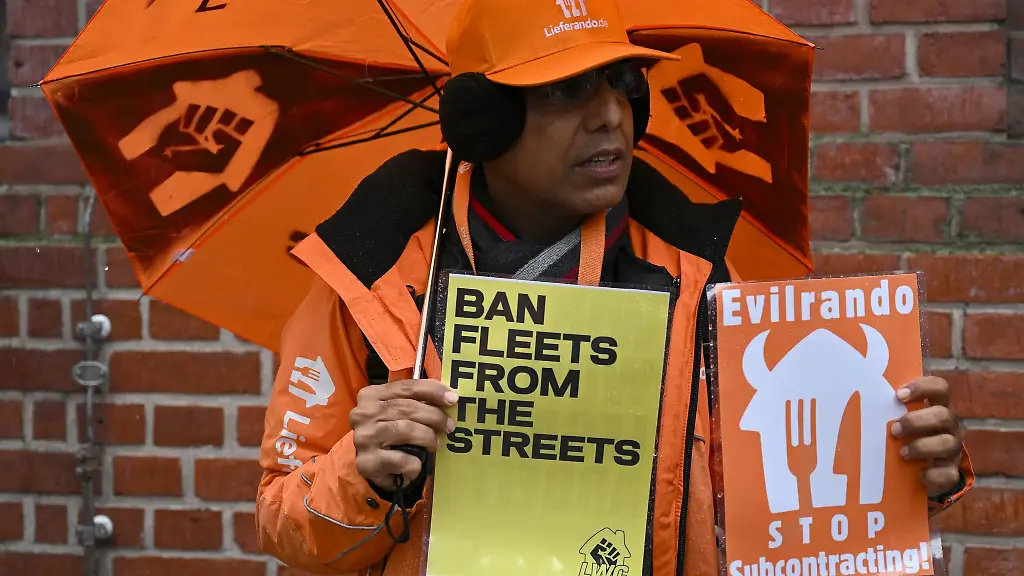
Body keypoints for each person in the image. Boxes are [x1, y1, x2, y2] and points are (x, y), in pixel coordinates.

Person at [255, 0, 974, 574]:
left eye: (624, 85)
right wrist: (365, 474)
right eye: (567, 90)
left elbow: (783, 516)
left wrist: (901, 474)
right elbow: (285, 523)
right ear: (484, 121)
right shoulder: (368, 281)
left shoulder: (702, 279)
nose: (611, 116)